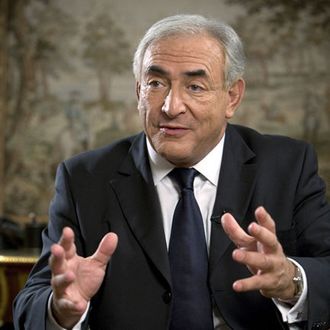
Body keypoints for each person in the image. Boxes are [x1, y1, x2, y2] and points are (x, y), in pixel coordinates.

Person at [13, 14, 330, 330]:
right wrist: (63, 310)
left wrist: (291, 279)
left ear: (231, 97)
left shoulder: (289, 165)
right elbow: (29, 306)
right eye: (156, 83)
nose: (171, 106)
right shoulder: (83, 178)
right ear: (139, 92)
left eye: (195, 86)